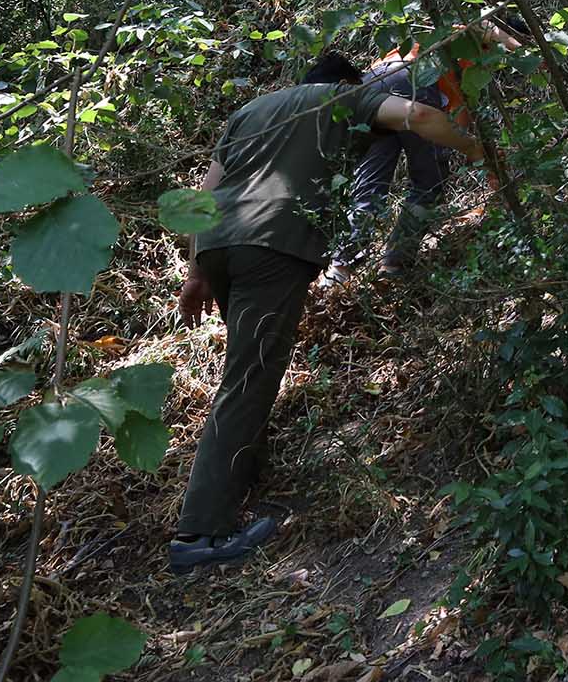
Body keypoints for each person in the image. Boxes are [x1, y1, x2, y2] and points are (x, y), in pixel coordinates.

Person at [169, 49, 485, 572]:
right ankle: (199, 534)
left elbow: (202, 195)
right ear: (345, 82)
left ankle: (245, 477)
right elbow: (422, 117)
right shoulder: (347, 97)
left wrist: (196, 270)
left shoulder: (251, 111)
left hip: (220, 247)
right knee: (248, 379)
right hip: (272, 248)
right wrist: (477, 150)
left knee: (250, 368)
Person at [343, 15, 524, 275]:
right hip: (410, 79)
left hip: (372, 83)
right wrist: (523, 50)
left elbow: (459, 132)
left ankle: (341, 267)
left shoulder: (462, 70)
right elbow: (482, 24)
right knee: (430, 179)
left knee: (371, 186)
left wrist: (491, 169)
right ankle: (395, 262)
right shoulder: (466, 37)